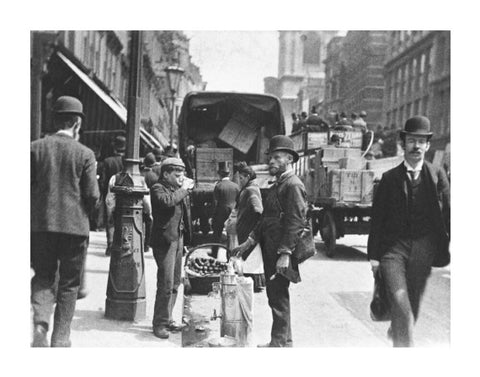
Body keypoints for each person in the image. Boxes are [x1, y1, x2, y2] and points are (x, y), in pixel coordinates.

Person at [367, 116, 450, 347]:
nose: (416, 146)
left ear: (427, 146)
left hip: (424, 248)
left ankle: (398, 329)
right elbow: (378, 219)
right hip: (393, 249)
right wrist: (374, 256)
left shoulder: (436, 175)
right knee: (401, 301)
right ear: (404, 144)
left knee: (411, 305)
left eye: (421, 141)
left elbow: (450, 212)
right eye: (412, 140)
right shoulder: (389, 178)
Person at [31, 96, 100, 347]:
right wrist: (89, 216)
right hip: (74, 229)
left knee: (43, 277)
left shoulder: (35, 148)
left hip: (40, 226)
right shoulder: (85, 154)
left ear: (54, 119)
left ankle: (40, 324)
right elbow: (92, 195)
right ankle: (60, 339)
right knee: (69, 285)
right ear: (77, 124)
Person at [233, 135, 307, 347]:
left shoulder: (292, 185)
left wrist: (285, 254)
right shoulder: (279, 184)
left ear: (290, 160)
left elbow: (295, 222)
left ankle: (278, 344)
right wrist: (249, 242)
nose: (271, 161)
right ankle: (285, 341)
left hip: (281, 251)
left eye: (277, 157)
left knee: (277, 298)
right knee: (278, 296)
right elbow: (266, 219)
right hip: (272, 248)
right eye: (270, 158)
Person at [150, 158, 194, 339]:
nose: (181, 177)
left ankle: (167, 318)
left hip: (178, 238)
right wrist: (184, 190)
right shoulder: (157, 188)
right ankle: (159, 324)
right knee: (166, 283)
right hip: (165, 241)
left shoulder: (177, 189)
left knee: (176, 283)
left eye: (182, 174)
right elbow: (167, 202)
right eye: (177, 175)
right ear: (166, 174)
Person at [234, 164, 265, 292]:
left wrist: (251, 223)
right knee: (252, 257)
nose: (239, 181)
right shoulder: (251, 188)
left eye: (241, 178)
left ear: (247, 177)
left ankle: (254, 284)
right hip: (248, 229)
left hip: (249, 230)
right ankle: (254, 282)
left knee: (252, 257)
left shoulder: (251, 190)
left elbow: (258, 209)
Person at [101, 135, 126, 255]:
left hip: (111, 193)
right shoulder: (127, 161)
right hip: (125, 194)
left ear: (114, 147)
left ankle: (110, 245)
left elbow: (103, 181)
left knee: (110, 220)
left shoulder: (108, 161)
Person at [211, 162, 240, 258]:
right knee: (230, 236)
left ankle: (214, 254)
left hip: (220, 213)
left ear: (219, 174)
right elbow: (239, 200)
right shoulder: (236, 186)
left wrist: (213, 216)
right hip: (232, 213)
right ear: (229, 174)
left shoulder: (218, 186)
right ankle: (230, 256)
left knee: (217, 234)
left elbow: (215, 203)